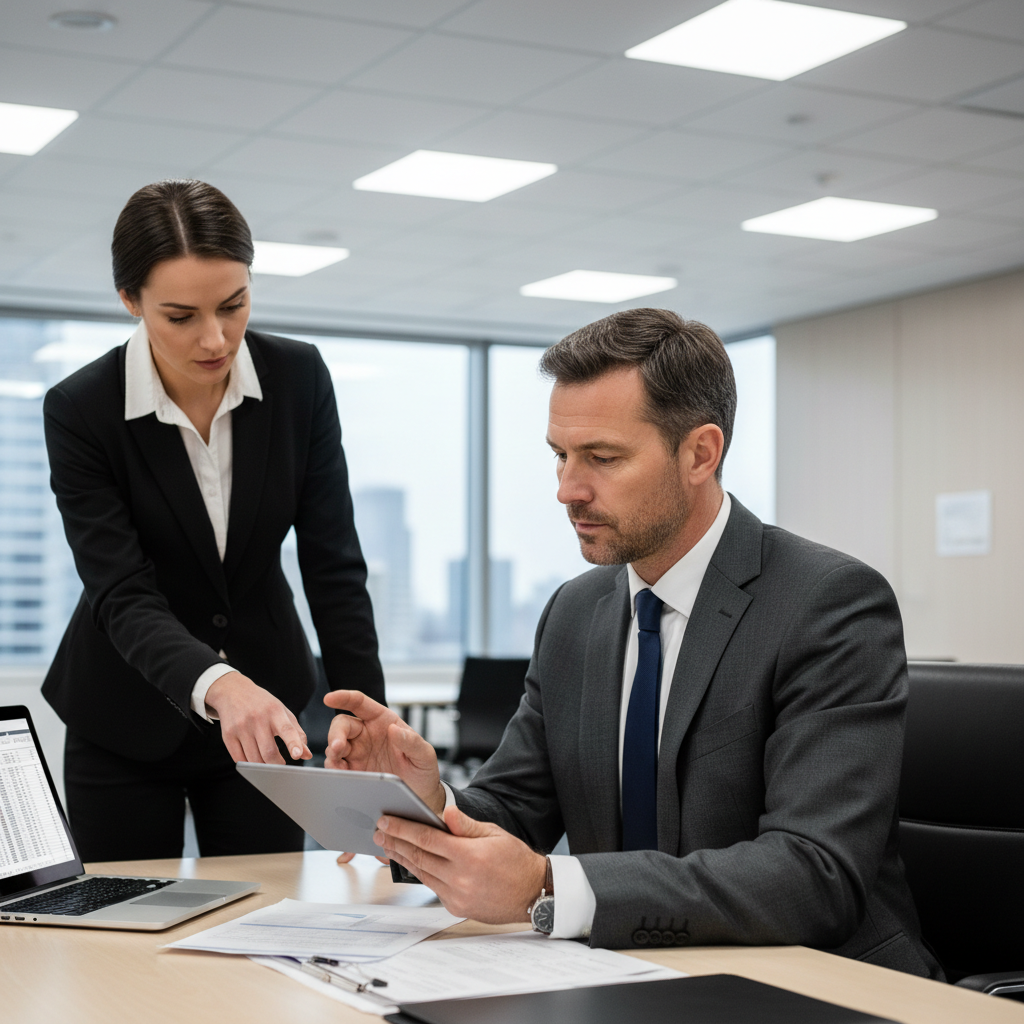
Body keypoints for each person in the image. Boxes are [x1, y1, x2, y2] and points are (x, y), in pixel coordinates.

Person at [323, 308, 942, 979]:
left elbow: (812, 873)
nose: (566, 490)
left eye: (603, 458)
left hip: (820, 982)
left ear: (700, 453)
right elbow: (512, 811)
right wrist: (425, 801)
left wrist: (547, 888)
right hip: (626, 975)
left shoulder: (827, 603)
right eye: (561, 455)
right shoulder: (576, 612)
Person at [43, 179, 384, 862]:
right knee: (122, 934)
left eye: (234, 305)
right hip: (125, 715)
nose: (215, 337)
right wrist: (220, 687)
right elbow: (121, 591)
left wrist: (361, 716)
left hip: (270, 710)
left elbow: (333, 563)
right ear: (130, 302)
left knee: (268, 916)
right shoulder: (83, 409)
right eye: (180, 315)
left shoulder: (299, 378)